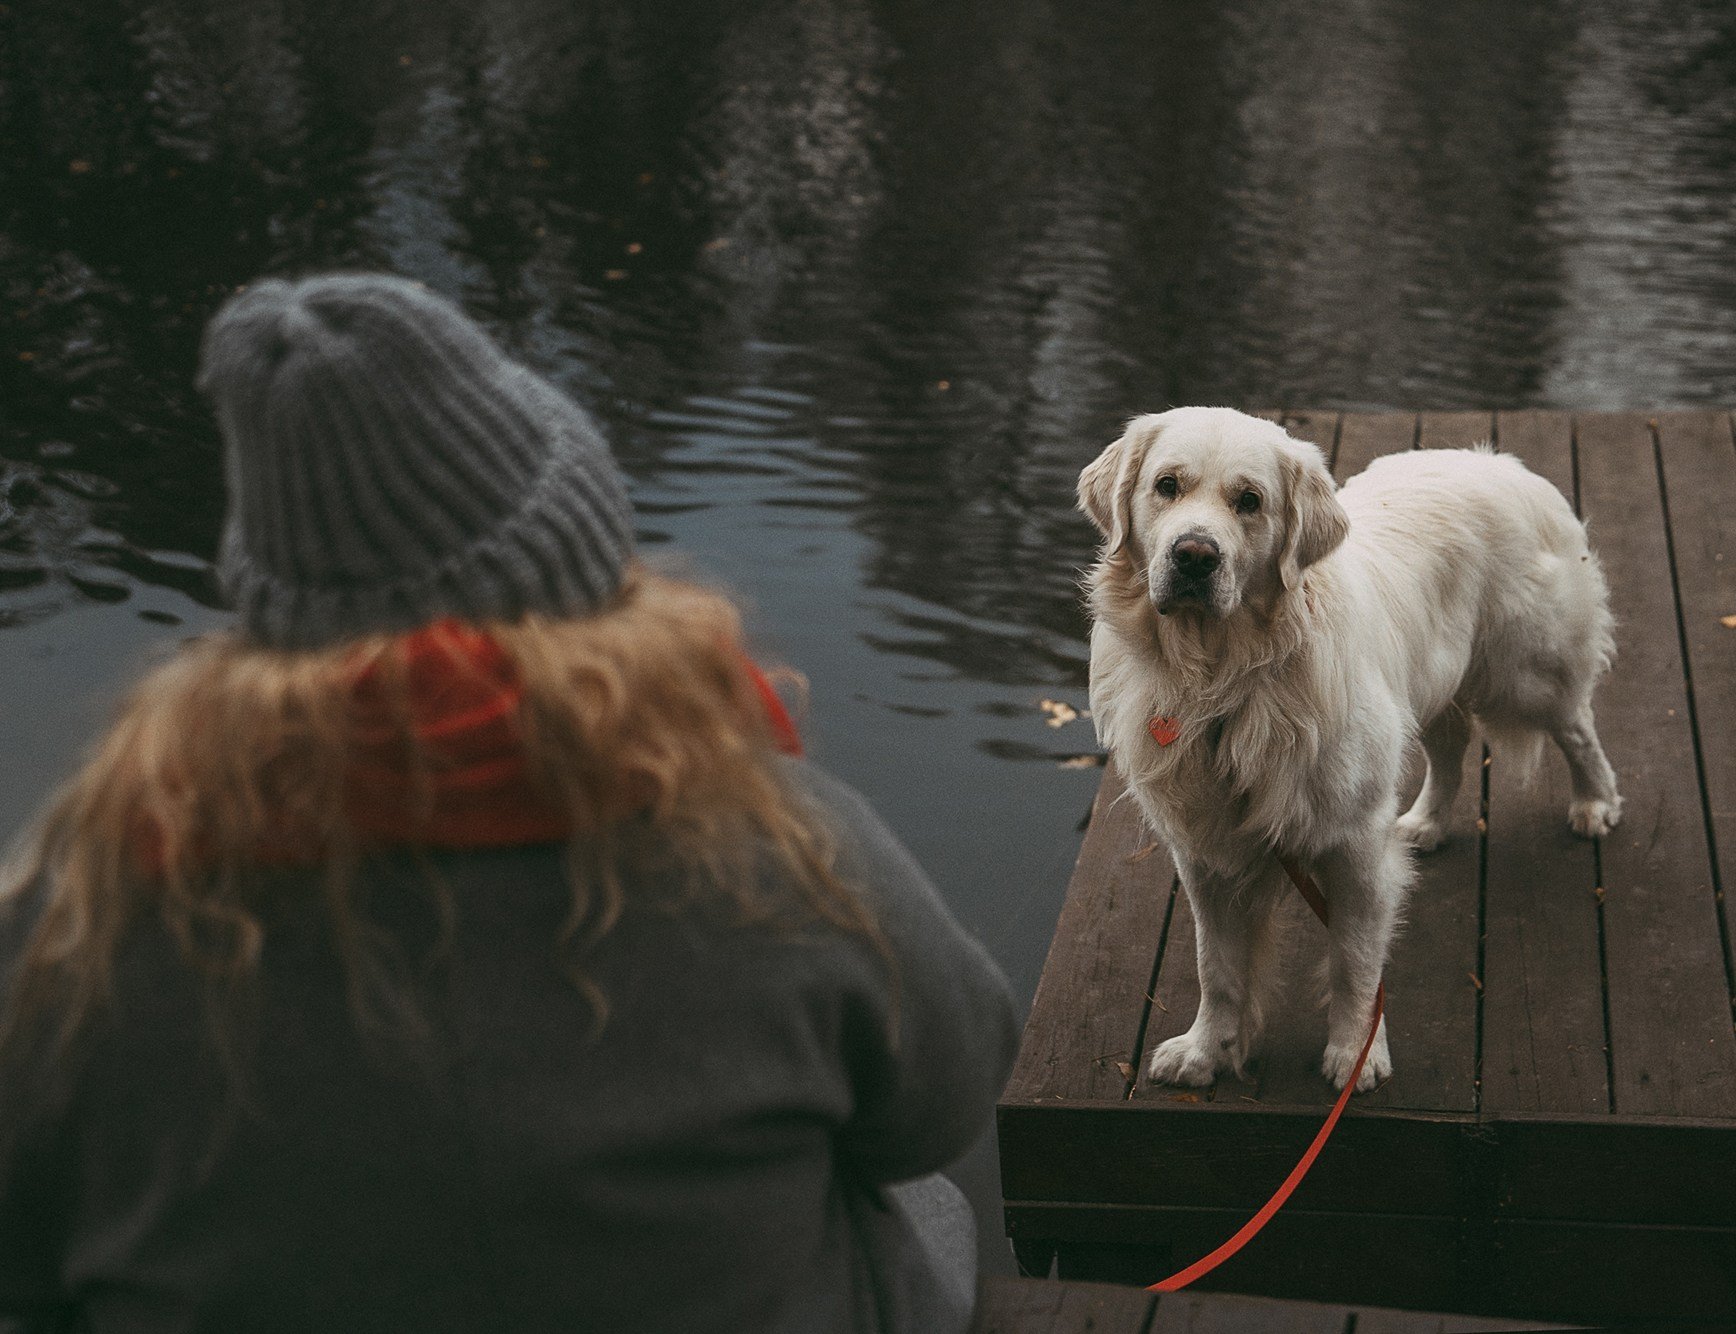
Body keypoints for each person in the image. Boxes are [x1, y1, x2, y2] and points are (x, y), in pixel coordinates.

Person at [0, 274, 1019, 1333]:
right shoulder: (777, 842)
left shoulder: (96, 896)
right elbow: (943, 1098)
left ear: (273, 618)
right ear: (580, 574)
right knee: (925, 1204)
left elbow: (23, 1258)